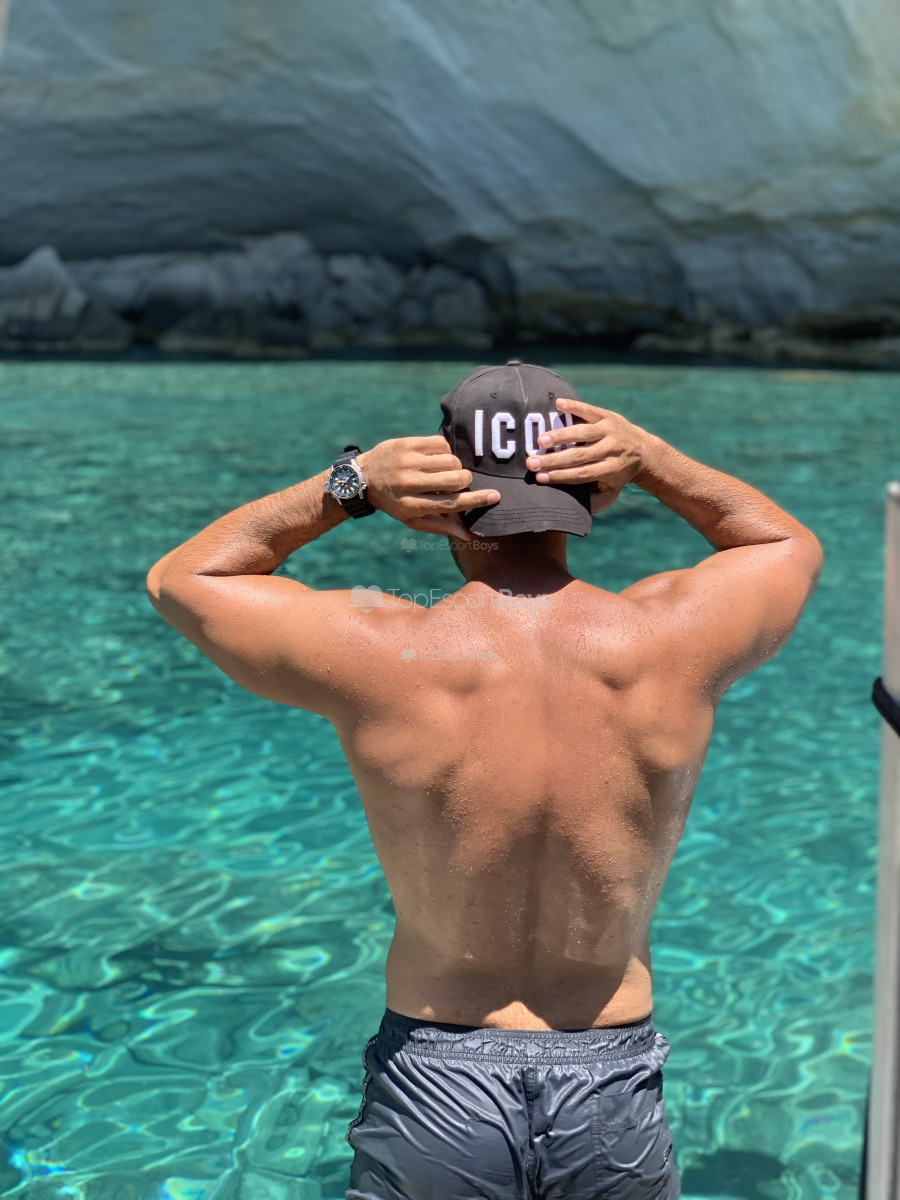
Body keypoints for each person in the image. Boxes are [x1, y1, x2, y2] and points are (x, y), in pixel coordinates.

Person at [146, 361, 822, 1200]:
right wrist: (653, 460)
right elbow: (785, 545)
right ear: (594, 495)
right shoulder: (672, 642)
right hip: (606, 1075)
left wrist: (350, 485)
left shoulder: (381, 652)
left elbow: (183, 579)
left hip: (438, 1078)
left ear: (438, 500)